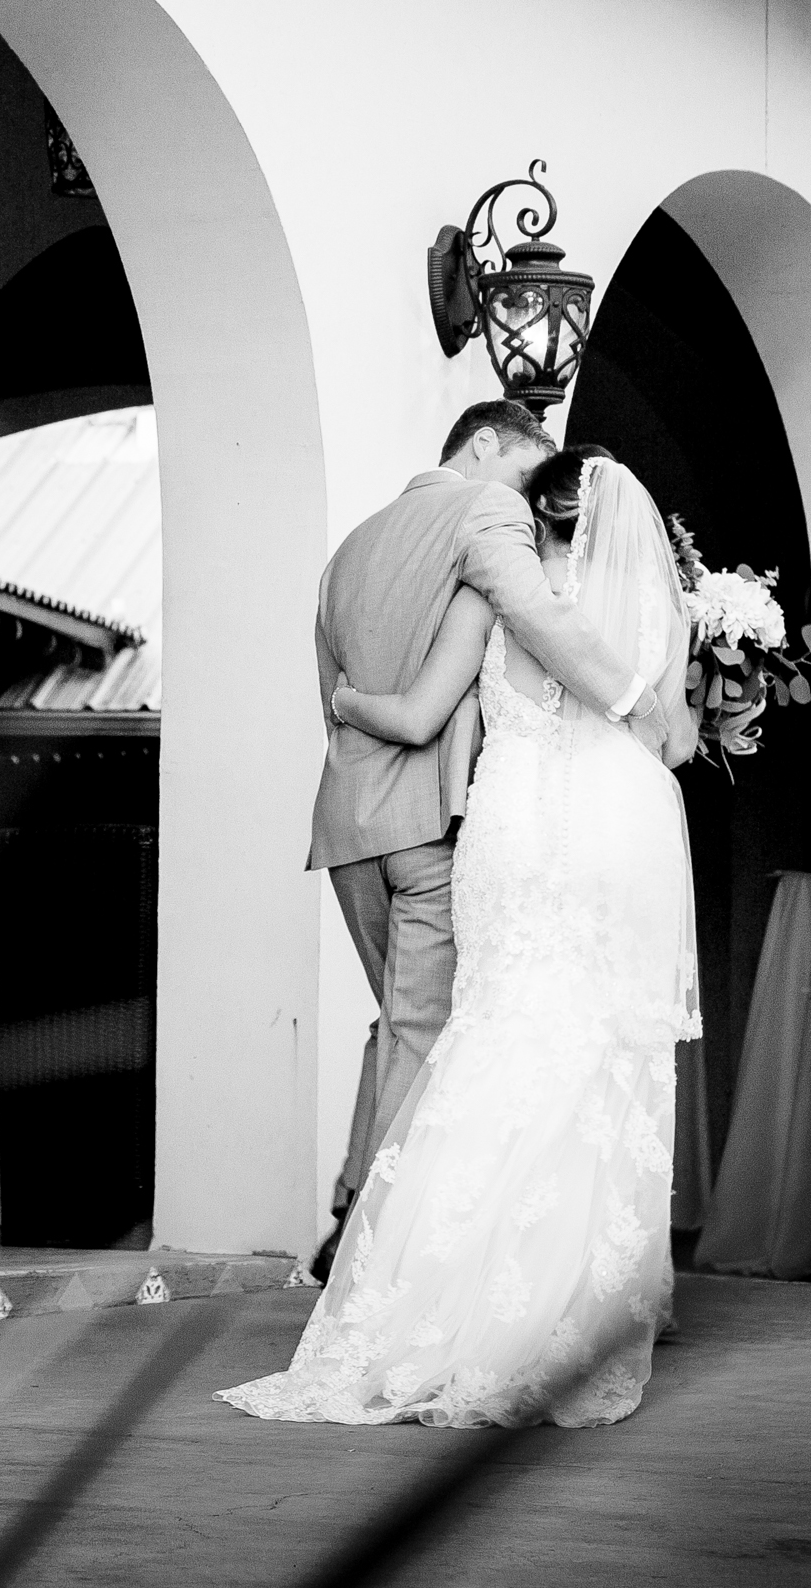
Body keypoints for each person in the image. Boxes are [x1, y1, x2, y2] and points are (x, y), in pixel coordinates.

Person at [223, 445, 701, 1430]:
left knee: (486, 1041)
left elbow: (427, 711)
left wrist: (346, 703)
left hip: (509, 833)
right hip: (619, 835)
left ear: (537, 518)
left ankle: (426, 1295)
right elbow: (677, 740)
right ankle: (573, 1306)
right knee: (605, 1058)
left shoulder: (490, 599)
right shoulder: (662, 609)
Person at [295, 402, 632, 1284]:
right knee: (421, 1031)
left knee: (397, 1022)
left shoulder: (348, 550)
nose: (529, 499)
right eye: (525, 472)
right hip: (429, 824)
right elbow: (538, 614)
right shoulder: (484, 511)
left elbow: (333, 696)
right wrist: (633, 698)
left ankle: (349, 1210)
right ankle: (373, 1253)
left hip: (349, 824)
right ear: (484, 443)